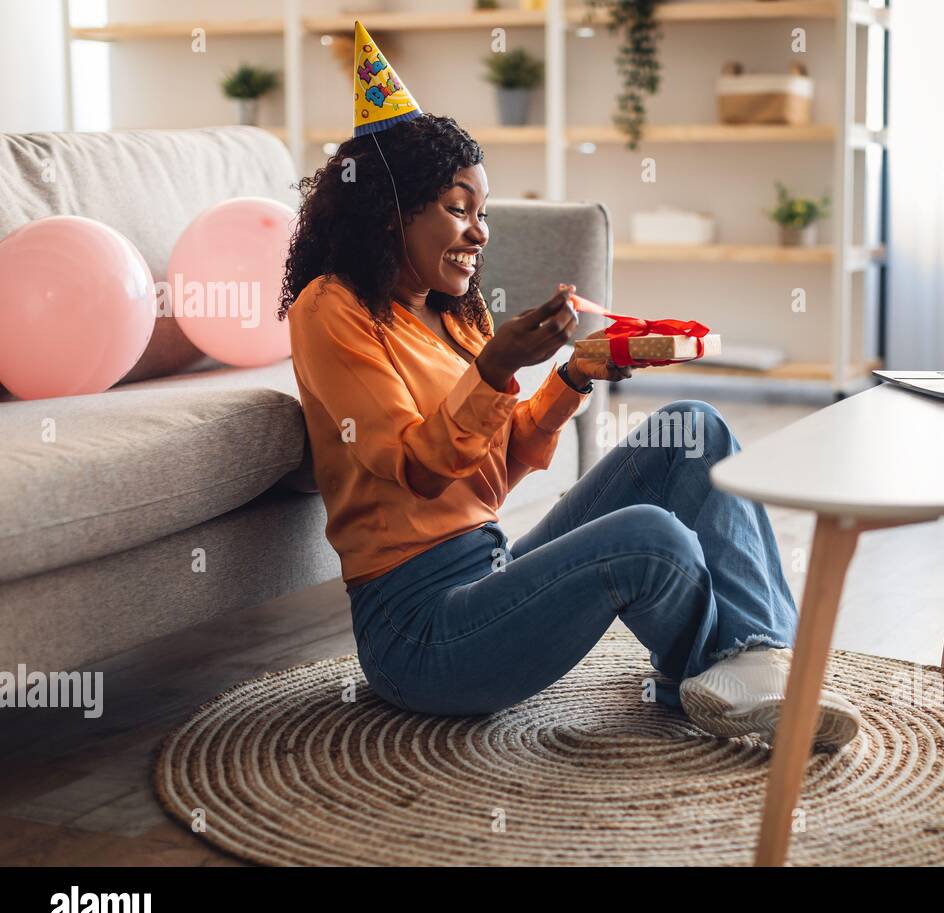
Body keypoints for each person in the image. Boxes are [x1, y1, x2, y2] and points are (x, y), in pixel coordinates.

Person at [276, 23, 862, 749]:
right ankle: (723, 671)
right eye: (460, 208)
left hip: (487, 566)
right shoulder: (332, 309)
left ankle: (756, 666)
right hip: (418, 633)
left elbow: (491, 479)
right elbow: (421, 472)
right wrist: (495, 371)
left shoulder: (452, 318)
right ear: (389, 214)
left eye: (482, 212)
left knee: (696, 428)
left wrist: (574, 375)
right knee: (651, 539)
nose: (480, 233)